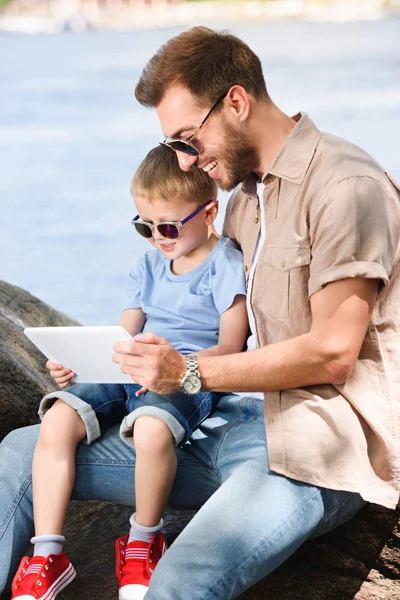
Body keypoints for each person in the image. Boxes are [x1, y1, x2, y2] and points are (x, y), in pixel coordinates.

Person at [1, 25, 400, 600]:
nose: (186, 158)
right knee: (20, 450)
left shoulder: (345, 186)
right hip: (234, 422)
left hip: (316, 448)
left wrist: (185, 372)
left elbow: (334, 352)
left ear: (235, 102)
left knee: (181, 580)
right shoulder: (244, 202)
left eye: (188, 138)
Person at [7, 145, 248, 600]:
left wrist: (176, 368)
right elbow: (125, 329)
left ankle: (142, 542)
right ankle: (47, 554)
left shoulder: (225, 264)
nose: (158, 237)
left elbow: (231, 349)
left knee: (152, 430)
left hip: (186, 375)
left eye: (169, 226)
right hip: (131, 365)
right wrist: (79, 362)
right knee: (58, 418)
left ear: (209, 211)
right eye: (145, 226)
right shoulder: (149, 263)